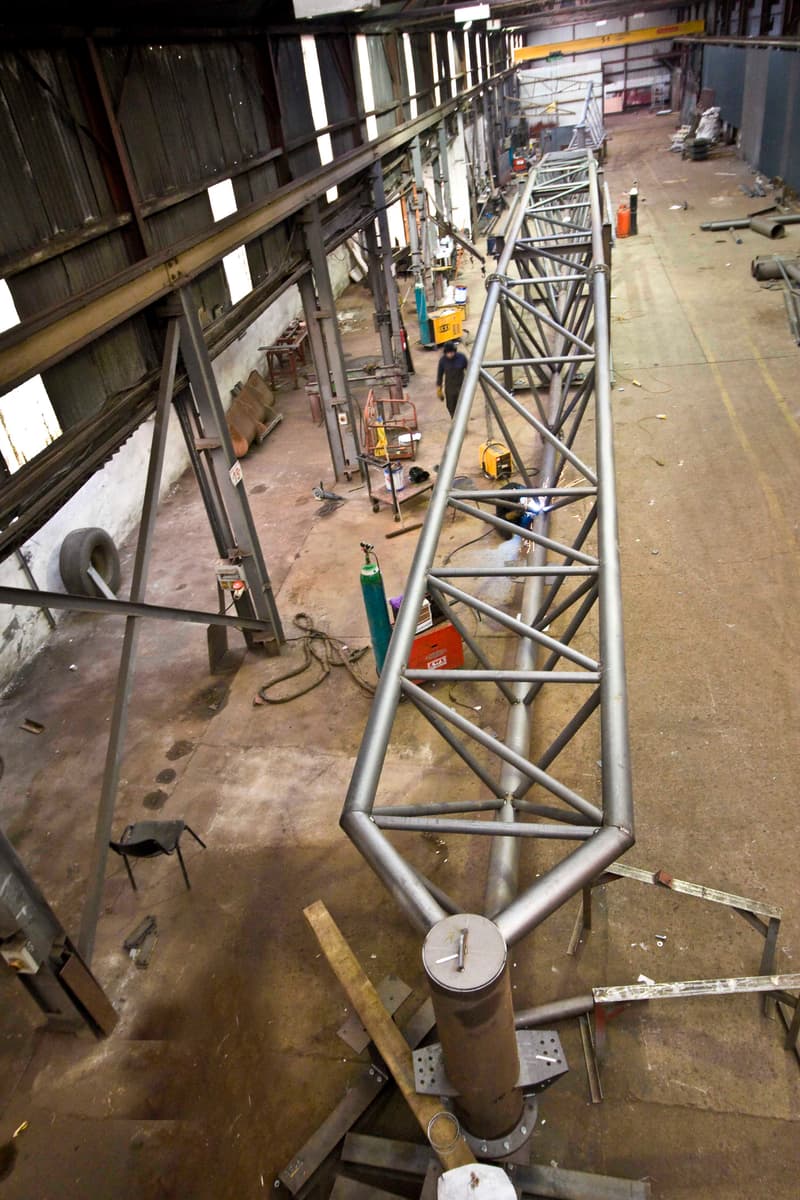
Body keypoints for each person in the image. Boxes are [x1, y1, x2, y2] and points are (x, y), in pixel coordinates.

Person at [436, 341, 469, 418]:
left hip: (461, 385)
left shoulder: (461, 358)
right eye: (448, 353)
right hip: (450, 387)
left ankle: (462, 422)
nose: (450, 354)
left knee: (462, 405)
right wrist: (439, 388)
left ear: (455, 351)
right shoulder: (442, 361)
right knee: (451, 405)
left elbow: (469, 370)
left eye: (452, 352)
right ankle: (454, 419)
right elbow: (439, 375)